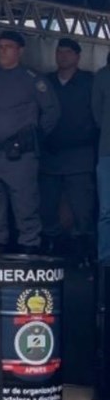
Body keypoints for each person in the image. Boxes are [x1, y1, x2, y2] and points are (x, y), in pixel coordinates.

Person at [0, 30, 59, 253]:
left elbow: (51, 113)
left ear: (20, 51)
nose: (3, 51)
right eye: (0, 47)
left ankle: (29, 250)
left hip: (21, 156)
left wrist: (34, 137)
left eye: (8, 47)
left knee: (25, 206)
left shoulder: (33, 80)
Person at [40, 38, 97, 261]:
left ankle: (83, 249)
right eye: (59, 52)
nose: (62, 56)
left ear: (77, 56)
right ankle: (51, 244)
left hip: (79, 153)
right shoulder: (46, 82)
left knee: (82, 204)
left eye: (67, 53)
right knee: (47, 204)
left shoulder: (88, 82)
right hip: (50, 154)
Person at [91, 53, 110, 265]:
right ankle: (106, 263)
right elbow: (97, 116)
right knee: (107, 211)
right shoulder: (103, 76)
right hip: (107, 152)